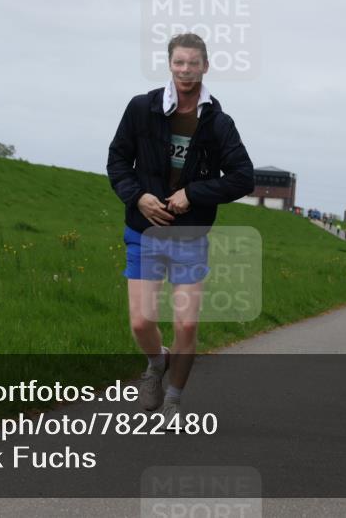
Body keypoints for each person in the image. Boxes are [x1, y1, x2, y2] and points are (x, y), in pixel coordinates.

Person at [107, 32, 254, 419]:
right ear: (169, 64)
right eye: (178, 63)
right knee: (141, 322)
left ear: (205, 66)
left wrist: (195, 193)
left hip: (190, 236)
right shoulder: (142, 108)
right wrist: (138, 196)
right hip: (144, 231)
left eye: (193, 63)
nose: (185, 70)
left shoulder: (218, 123)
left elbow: (242, 178)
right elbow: (118, 161)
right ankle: (157, 363)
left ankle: (174, 399)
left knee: (187, 326)